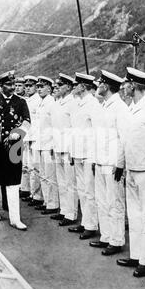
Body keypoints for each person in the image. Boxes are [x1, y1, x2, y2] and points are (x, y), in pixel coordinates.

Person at [115, 67, 145, 278]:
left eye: (126, 84)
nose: (123, 87)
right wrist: (120, 164)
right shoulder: (131, 108)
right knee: (134, 215)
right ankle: (136, 254)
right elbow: (126, 141)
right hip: (132, 170)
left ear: (134, 86)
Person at [89, 70, 127, 256]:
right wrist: (95, 160)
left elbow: (123, 138)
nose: (98, 85)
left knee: (115, 203)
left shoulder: (120, 108)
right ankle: (106, 236)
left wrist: (120, 164)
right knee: (102, 201)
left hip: (112, 164)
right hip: (101, 161)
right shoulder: (104, 106)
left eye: (101, 82)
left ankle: (117, 239)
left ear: (108, 86)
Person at [0, 71, 31, 231]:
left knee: (13, 182)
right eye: (8, 84)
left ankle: (15, 218)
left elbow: (27, 122)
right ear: (1, 85)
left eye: (14, 84)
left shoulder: (21, 102)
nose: (12, 87)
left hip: (14, 146)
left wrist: (18, 133)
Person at [68, 72, 101, 240]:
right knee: (82, 189)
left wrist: (95, 157)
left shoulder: (93, 104)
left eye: (76, 84)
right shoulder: (78, 103)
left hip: (89, 154)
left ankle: (91, 225)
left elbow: (96, 131)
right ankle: (85, 222)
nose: (74, 87)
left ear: (83, 86)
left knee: (89, 191)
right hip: (78, 153)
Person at [50, 73, 79, 226]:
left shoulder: (72, 103)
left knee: (70, 183)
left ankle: (71, 214)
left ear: (68, 87)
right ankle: (64, 210)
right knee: (61, 181)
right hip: (58, 147)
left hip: (68, 148)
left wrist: (72, 149)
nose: (57, 88)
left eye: (60, 85)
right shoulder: (57, 103)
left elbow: (74, 128)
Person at [32, 76, 60, 215]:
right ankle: (46, 201)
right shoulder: (39, 102)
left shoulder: (51, 103)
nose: (39, 89)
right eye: (37, 87)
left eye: (42, 87)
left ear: (49, 88)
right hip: (39, 143)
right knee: (42, 175)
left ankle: (53, 204)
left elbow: (55, 126)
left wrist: (54, 145)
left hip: (48, 144)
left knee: (50, 176)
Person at [22, 75, 44, 208]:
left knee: (35, 168)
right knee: (28, 167)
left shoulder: (37, 101)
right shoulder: (28, 100)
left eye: (31, 86)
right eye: (27, 86)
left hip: (35, 139)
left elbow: (37, 123)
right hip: (27, 138)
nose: (28, 88)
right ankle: (31, 192)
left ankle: (37, 196)